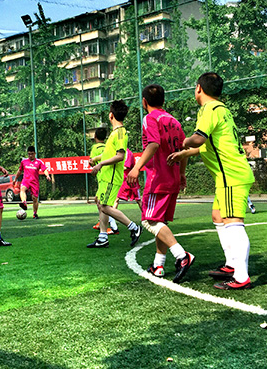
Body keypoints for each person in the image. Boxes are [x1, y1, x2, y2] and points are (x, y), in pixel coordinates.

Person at [168, 73, 255, 290]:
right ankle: (231, 264)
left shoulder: (209, 109)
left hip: (231, 176)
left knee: (233, 222)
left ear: (199, 88)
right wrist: (185, 154)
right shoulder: (221, 109)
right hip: (227, 176)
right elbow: (208, 146)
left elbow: (198, 139)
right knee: (218, 216)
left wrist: (183, 143)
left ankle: (241, 277)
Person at [127, 84, 194, 283]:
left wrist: (136, 167)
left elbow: (154, 144)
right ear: (164, 100)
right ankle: (158, 265)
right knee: (161, 222)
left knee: (149, 221)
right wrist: (182, 174)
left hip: (157, 179)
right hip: (173, 178)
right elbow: (184, 150)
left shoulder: (150, 118)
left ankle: (182, 255)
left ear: (144, 102)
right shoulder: (174, 121)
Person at [87, 100, 142, 249]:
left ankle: (134, 228)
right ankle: (103, 237)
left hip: (111, 177)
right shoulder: (115, 133)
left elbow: (120, 156)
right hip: (106, 176)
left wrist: (100, 164)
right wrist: (96, 160)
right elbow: (108, 153)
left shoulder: (120, 133)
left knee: (104, 206)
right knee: (100, 202)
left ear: (111, 115)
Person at [89, 127, 118, 234]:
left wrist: (93, 162)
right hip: (109, 176)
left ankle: (113, 226)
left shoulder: (94, 148)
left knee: (104, 205)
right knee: (99, 201)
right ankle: (102, 223)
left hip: (103, 178)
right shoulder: (107, 147)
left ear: (95, 136)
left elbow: (91, 163)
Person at [15, 146, 51, 219]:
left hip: (34, 182)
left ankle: (35, 213)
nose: (30, 155)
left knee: (34, 198)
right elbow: (19, 171)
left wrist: (47, 175)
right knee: (22, 189)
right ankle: (24, 202)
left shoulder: (39, 162)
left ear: (35, 153)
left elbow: (44, 169)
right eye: (29, 154)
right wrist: (15, 179)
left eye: (31, 154)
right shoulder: (24, 162)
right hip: (26, 180)